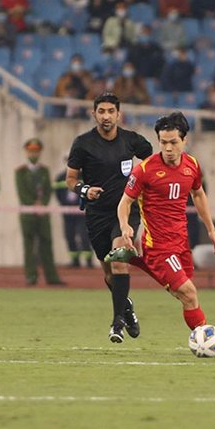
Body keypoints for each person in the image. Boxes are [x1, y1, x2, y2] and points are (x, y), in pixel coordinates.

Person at [105, 111, 215, 357]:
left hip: (181, 243)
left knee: (183, 296)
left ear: (184, 140)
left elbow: (198, 194)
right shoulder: (145, 170)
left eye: (173, 142)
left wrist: (211, 229)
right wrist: (125, 226)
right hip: (159, 245)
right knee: (189, 293)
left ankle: (136, 260)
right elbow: (125, 202)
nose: (168, 148)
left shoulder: (192, 165)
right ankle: (209, 344)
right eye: (163, 142)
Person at [65, 92, 153, 342]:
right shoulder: (82, 143)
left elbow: (151, 162)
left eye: (110, 111)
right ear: (93, 114)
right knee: (109, 274)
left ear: (118, 114)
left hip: (126, 212)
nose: (106, 116)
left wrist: (146, 184)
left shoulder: (132, 140)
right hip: (97, 215)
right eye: (101, 111)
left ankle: (117, 323)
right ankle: (127, 307)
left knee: (119, 261)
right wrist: (84, 190)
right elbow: (70, 179)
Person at [15, 138, 64, 286]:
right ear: (26, 152)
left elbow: (48, 190)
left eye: (36, 151)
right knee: (29, 246)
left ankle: (51, 276)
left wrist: (43, 204)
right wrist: (33, 204)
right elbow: (22, 193)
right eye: (31, 151)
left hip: (43, 214)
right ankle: (31, 276)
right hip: (28, 215)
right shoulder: (20, 172)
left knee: (46, 245)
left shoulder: (44, 171)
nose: (34, 154)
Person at [53, 158, 93, 268]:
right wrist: (64, 205)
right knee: (69, 235)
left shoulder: (86, 176)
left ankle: (88, 260)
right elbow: (58, 194)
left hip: (82, 213)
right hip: (68, 214)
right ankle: (75, 260)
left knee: (84, 236)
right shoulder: (61, 177)